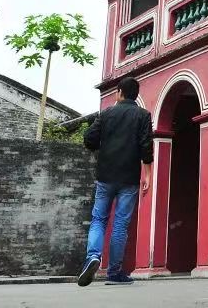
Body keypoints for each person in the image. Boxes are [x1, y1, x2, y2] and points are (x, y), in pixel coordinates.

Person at [78, 77, 154, 287]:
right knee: (120, 224)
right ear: (136, 95)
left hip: (105, 175)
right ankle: (114, 272)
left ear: (120, 92)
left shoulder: (108, 113)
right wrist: (147, 174)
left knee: (99, 219)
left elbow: (89, 138)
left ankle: (93, 257)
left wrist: (104, 145)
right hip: (129, 178)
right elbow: (146, 146)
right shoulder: (143, 115)